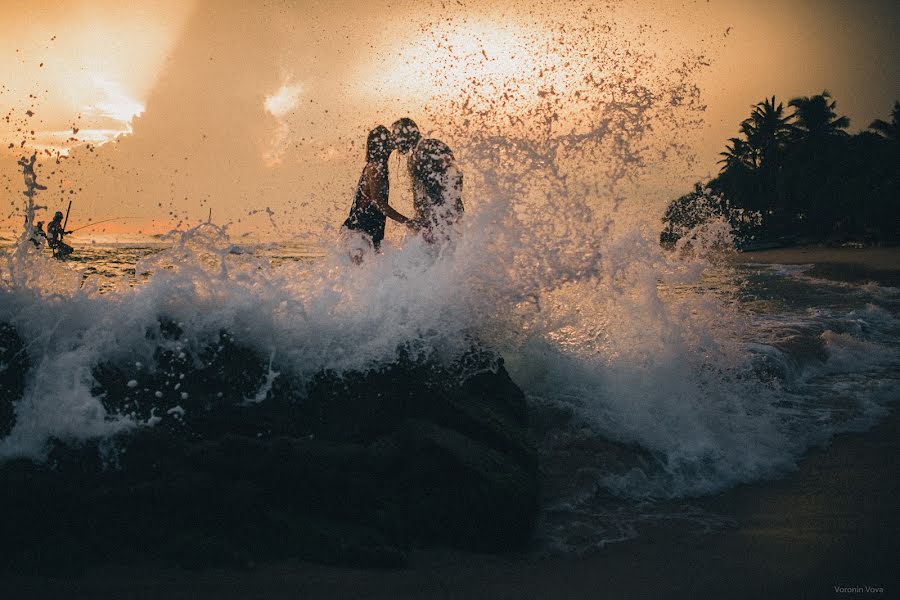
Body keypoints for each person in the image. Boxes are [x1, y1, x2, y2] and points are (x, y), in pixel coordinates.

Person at [342, 125, 411, 262]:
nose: (392, 142)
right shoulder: (376, 168)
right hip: (360, 233)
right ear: (381, 145)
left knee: (367, 277)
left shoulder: (375, 165)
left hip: (364, 233)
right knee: (363, 276)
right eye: (389, 139)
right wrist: (407, 222)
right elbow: (377, 201)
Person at [390, 118, 463, 243]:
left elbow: (455, 173)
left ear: (405, 135)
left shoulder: (430, 147)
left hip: (442, 218)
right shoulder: (414, 155)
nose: (394, 142)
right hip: (430, 221)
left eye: (396, 136)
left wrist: (446, 209)